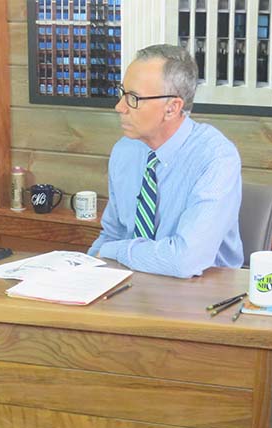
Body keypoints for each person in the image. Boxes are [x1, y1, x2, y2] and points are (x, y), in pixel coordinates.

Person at [88, 44, 243, 278]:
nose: (119, 107)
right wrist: (83, 272)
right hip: (134, 284)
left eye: (133, 98)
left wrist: (113, 251)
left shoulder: (217, 157)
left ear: (172, 108)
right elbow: (112, 234)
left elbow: (185, 260)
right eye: (122, 93)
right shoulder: (124, 150)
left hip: (204, 290)